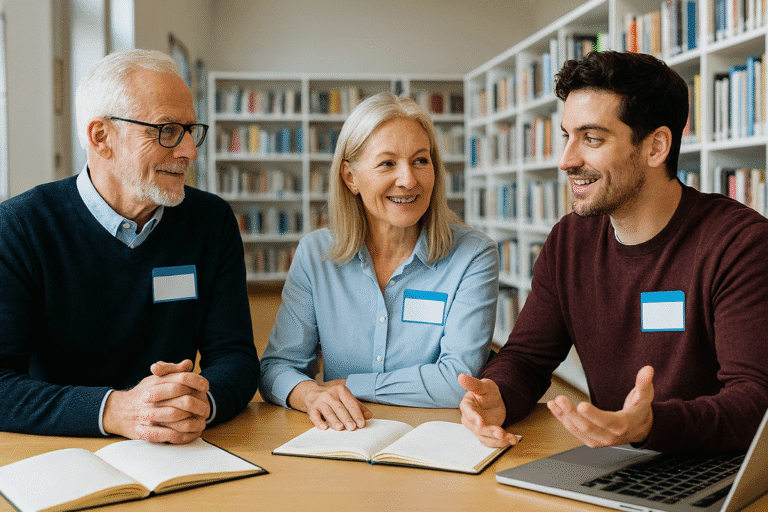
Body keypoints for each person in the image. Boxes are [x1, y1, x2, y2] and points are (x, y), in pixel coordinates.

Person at [459, 51, 768, 453]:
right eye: (567, 136)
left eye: (592, 138)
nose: (566, 161)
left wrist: (650, 424)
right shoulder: (569, 242)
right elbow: (526, 359)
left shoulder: (740, 244)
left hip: (718, 466)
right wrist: (498, 394)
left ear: (656, 147)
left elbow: (755, 401)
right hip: (616, 459)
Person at [0, 49, 260, 444]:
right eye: (167, 130)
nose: (189, 151)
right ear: (101, 137)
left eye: (190, 130)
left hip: (174, 450)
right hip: (59, 449)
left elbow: (235, 356)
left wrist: (199, 403)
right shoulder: (20, 228)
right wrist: (115, 410)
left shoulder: (211, 222)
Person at [259, 92, 499, 431]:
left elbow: (458, 380)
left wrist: (348, 385)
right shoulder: (315, 254)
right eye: (387, 163)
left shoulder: (473, 255)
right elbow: (276, 369)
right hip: (343, 435)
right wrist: (309, 395)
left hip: (435, 438)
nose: (408, 180)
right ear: (350, 178)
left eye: (420, 161)